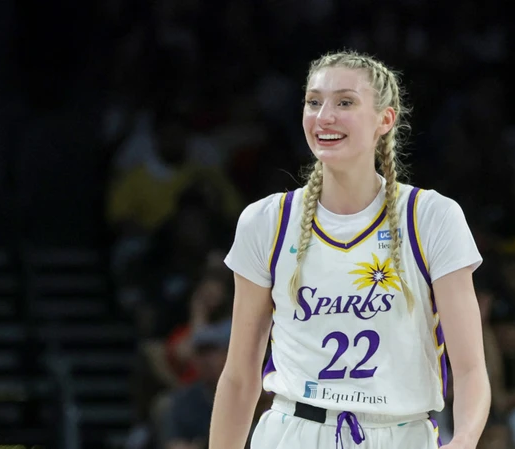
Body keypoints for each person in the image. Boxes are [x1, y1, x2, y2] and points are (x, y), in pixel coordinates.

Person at [209, 51, 491, 449]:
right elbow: (239, 376)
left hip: (401, 433)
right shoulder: (266, 221)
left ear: (385, 119)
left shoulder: (431, 217)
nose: (324, 116)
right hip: (292, 432)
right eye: (313, 102)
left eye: (345, 102)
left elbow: (469, 370)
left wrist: (463, 439)